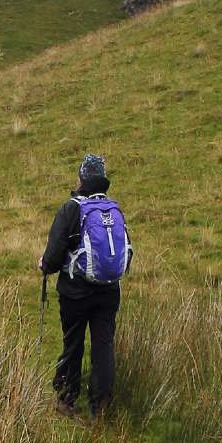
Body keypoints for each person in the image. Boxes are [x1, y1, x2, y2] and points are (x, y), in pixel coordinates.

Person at [38, 152, 130, 415]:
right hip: (109, 290)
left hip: (75, 292)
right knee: (103, 345)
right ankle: (100, 406)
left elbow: (54, 254)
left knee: (73, 342)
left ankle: (67, 399)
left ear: (81, 178)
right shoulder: (114, 209)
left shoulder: (72, 208)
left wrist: (44, 265)